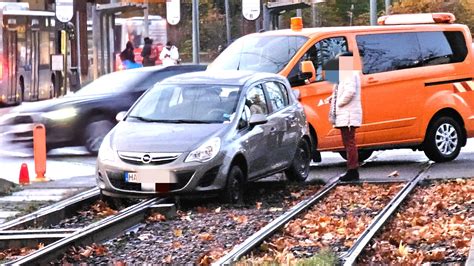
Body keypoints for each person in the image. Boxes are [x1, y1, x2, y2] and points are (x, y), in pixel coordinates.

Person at [325, 51, 362, 181]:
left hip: (348, 114)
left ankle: (352, 170)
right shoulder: (347, 74)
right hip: (347, 114)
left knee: (349, 142)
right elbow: (343, 90)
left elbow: (350, 91)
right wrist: (333, 98)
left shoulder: (348, 74)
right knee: (348, 142)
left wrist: (339, 103)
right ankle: (352, 169)